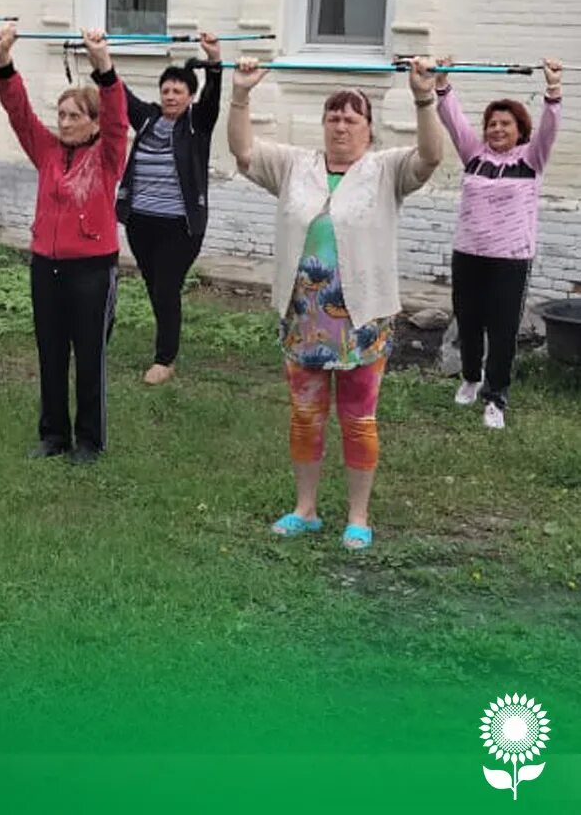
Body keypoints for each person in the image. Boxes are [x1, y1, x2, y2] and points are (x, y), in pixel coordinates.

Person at [227, 57, 442, 550]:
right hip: (304, 318)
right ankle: (305, 509)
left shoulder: (384, 169)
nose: (341, 124)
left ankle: (358, 516)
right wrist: (240, 94)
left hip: (363, 321)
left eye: (352, 118)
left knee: (358, 417)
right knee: (305, 415)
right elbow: (242, 150)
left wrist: (424, 97)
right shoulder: (294, 165)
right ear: (323, 124)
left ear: (368, 128)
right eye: (333, 117)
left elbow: (430, 158)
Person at [0, 23, 129, 464]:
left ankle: (89, 441)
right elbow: (18, 114)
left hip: (92, 267)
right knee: (51, 353)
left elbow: (117, 118)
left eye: (75, 116)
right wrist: (4, 61)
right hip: (46, 265)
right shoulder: (48, 150)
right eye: (62, 115)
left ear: (92, 122)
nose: (65, 123)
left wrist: (102, 67)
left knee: (89, 355)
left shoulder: (107, 154)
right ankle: (54, 436)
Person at [437, 58, 564, 429]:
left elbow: (550, 128)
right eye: (492, 123)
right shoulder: (474, 156)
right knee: (470, 321)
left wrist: (553, 89)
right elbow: (452, 120)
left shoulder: (532, 159)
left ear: (520, 129)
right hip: (468, 253)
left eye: (505, 124)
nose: (496, 129)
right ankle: (471, 379)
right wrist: (442, 82)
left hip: (511, 259)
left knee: (503, 329)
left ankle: (496, 397)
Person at [116, 33, 223, 384]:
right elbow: (117, 92)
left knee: (166, 287)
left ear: (189, 96)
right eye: (166, 90)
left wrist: (214, 61)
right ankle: (167, 340)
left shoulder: (196, 124)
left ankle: (165, 359)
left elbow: (212, 99)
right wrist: (100, 57)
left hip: (181, 225)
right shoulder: (147, 119)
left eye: (178, 91)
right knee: (154, 285)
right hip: (140, 221)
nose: (171, 96)